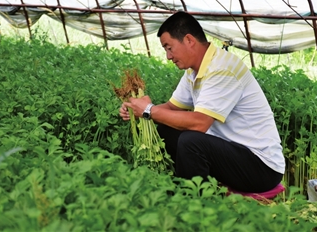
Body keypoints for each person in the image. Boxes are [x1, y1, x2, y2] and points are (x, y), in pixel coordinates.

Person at [119, 11, 285, 193]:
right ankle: (183, 190)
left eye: (169, 48)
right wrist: (138, 109)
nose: (168, 56)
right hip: (233, 153)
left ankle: (194, 202)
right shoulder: (193, 71)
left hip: (261, 167)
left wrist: (149, 110)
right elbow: (171, 108)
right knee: (167, 131)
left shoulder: (222, 68)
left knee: (191, 141)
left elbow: (200, 123)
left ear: (189, 40)